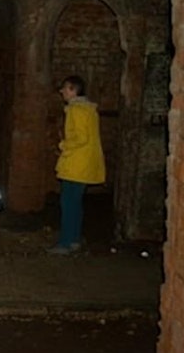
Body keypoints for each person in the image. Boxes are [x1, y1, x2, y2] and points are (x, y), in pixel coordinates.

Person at [48, 75, 106, 255]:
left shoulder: (76, 110)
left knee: (67, 203)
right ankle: (74, 239)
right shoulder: (89, 109)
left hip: (75, 164)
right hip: (85, 163)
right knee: (75, 202)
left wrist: (63, 145)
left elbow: (81, 138)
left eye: (65, 88)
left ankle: (65, 243)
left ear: (74, 90)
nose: (62, 91)